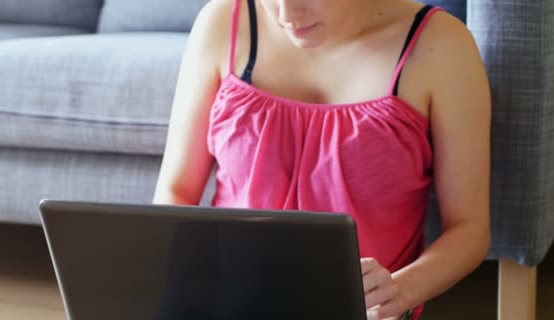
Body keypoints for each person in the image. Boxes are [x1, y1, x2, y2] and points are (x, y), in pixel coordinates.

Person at [153, 0, 491, 319]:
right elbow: (176, 190)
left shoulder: (441, 47)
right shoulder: (224, 20)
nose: (287, 14)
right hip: (230, 302)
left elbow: (469, 229)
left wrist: (399, 291)